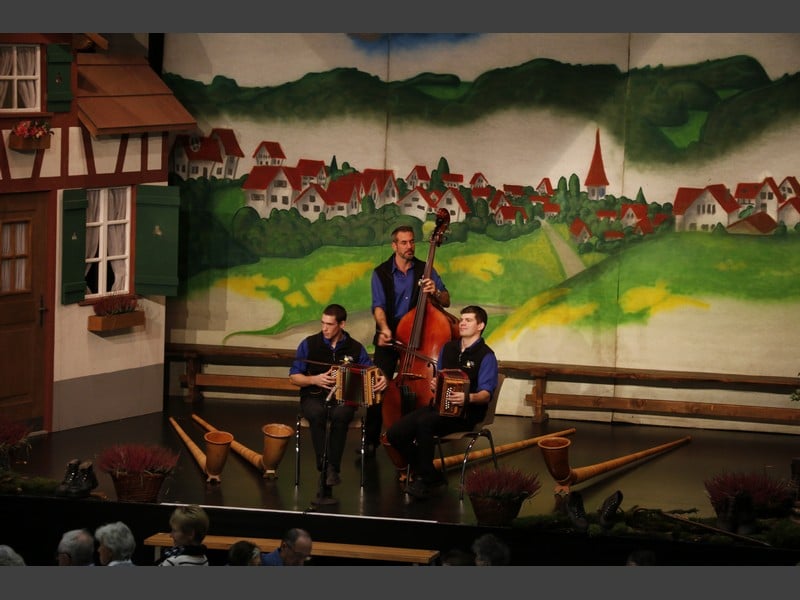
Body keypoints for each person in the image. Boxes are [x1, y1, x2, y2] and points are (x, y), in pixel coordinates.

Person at [385, 305, 498, 500]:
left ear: (480, 326)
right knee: (394, 433)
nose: (462, 323)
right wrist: (435, 383)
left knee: (425, 423)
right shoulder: (449, 348)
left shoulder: (486, 356)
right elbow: (440, 376)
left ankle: (426, 478)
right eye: (462, 319)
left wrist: (467, 398)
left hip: (467, 414)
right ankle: (431, 475)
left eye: (468, 320)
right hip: (438, 408)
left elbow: (485, 395)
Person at [367, 224, 451, 454]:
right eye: (404, 242)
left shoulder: (426, 269)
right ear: (394, 246)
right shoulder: (381, 272)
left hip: (417, 337)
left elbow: (446, 300)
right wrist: (384, 328)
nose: (409, 246)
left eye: (412, 241)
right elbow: (378, 306)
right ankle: (370, 441)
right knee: (377, 385)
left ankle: (413, 432)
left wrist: (435, 292)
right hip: (390, 335)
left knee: (417, 385)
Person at [289, 303, 387, 490]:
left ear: (342, 324)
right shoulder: (309, 344)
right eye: (322, 323)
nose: (324, 328)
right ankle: (325, 466)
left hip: (344, 399)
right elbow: (294, 377)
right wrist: (314, 379)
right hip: (314, 396)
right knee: (316, 413)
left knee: (341, 415)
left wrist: (382, 379)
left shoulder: (355, 347)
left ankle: (331, 467)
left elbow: (372, 372)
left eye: (329, 324)